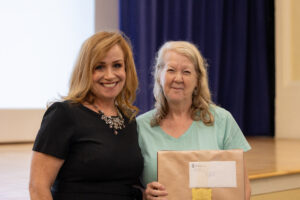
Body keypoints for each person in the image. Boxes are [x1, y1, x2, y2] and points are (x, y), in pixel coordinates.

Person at [29, 31, 143, 200]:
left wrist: (144, 193)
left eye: (117, 65)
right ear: (85, 70)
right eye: (99, 67)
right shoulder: (64, 114)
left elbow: (122, 185)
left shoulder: (129, 121)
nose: (110, 75)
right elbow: (38, 187)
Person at [137, 41, 251, 200]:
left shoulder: (223, 121)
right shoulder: (140, 127)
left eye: (186, 72)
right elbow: (130, 185)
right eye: (171, 70)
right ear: (159, 75)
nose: (178, 78)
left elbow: (242, 189)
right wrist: (144, 195)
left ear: (198, 79)